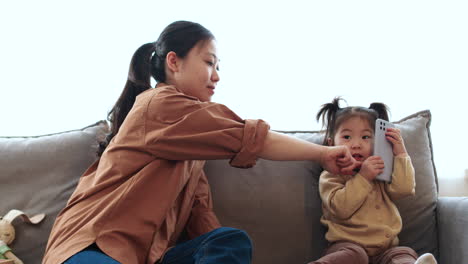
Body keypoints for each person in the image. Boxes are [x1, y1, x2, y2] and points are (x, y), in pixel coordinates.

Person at [42, 21, 358, 264]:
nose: (216, 76)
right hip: (92, 247)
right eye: (209, 63)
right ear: (174, 62)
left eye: (219, 67)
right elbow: (249, 137)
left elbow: (201, 218)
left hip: (144, 258)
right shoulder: (158, 104)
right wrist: (324, 153)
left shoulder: (193, 153)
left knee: (228, 240)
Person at [308, 97, 437, 264]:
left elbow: (403, 189)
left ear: (377, 143)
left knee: (404, 252)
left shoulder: (380, 173)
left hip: (385, 250)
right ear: (331, 143)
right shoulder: (332, 175)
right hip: (348, 247)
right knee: (354, 255)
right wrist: (363, 177)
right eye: (347, 137)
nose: (356, 144)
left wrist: (400, 153)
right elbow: (340, 209)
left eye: (365, 137)